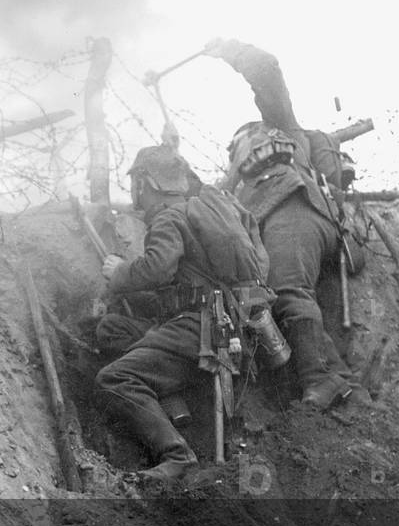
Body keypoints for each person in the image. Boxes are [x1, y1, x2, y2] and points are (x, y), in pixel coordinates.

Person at [94, 145, 273, 482]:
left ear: (145, 182)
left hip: (202, 328)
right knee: (112, 330)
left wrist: (119, 272)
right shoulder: (209, 211)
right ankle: (169, 393)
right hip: (233, 326)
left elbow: (157, 269)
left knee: (114, 378)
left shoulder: (169, 216)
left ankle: (177, 456)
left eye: (136, 182)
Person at [204, 37, 361, 410]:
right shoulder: (236, 185)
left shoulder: (283, 129)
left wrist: (232, 51)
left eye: (244, 142)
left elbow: (268, 70)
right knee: (273, 297)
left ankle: (319, 379)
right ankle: (338, 379)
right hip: (274, 227)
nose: (240, 151)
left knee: (288, 290)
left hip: (298, 210)